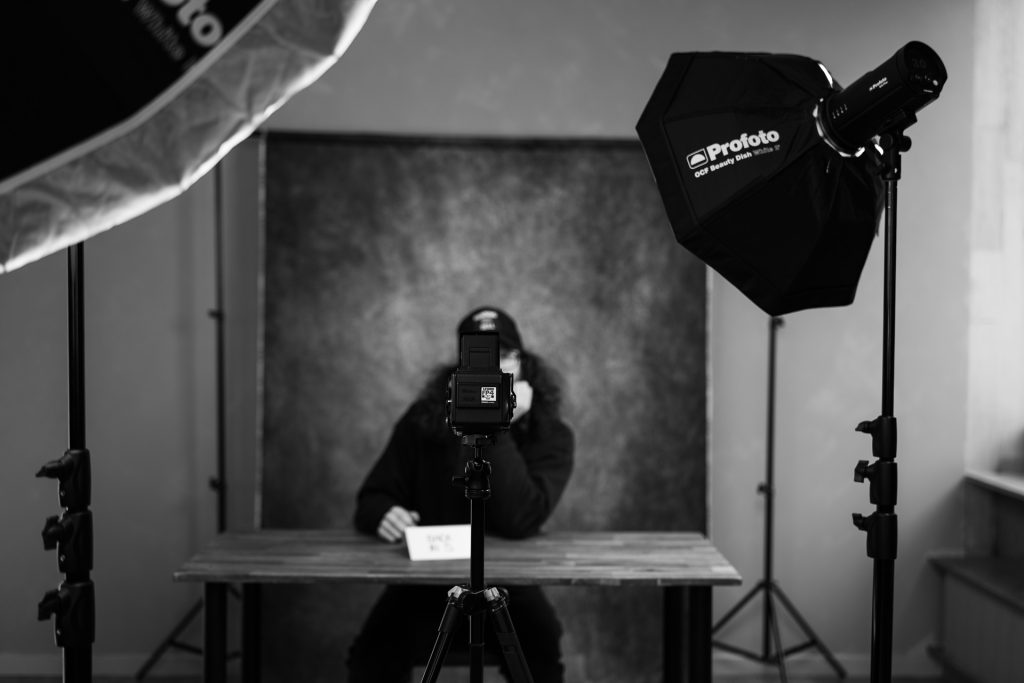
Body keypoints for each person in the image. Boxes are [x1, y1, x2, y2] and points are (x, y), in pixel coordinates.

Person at [347, 306, 575, 683]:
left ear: (522, 364)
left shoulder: (549, 433)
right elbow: (373, 497)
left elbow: (521, 519)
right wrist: (383, 512)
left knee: (541, 646)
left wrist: (499, 422)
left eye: (505, 356)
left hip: (511, 583)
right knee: (372, 654)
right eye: (480, 358)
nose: (494, 368)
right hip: (426, 580)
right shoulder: (425, 420)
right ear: (460, 369)